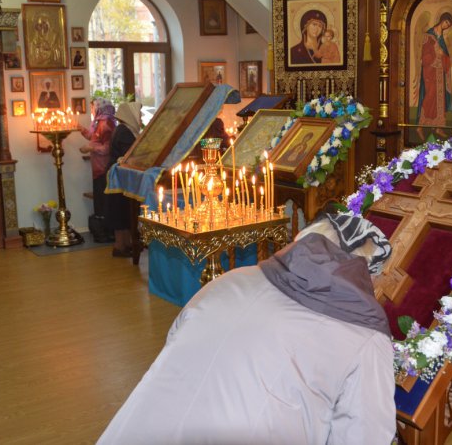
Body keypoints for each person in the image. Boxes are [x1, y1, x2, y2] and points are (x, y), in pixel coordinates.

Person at [97, 214, 396, 444]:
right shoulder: (365, 337)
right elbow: (365, 434)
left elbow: (176, 340)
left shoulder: (232, 278)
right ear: (364, 272)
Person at [105, 102, 142, 257]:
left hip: (120, 176)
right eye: (138, 113)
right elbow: (129, 154)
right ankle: (120, 246)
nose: (140, 117)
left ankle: (126, 244)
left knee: (124, 211)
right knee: (120, 212)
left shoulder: (123, 129)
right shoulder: (124, 132)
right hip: (119, 177)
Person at [79, 98, 116, 242]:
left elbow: (106, 148)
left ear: (100, 108)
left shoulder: (106, 124)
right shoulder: (99, 122)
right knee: (99, 201)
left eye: (93, 108)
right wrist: (80, 128)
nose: (92, 111)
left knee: (103, 201)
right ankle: (102, 231)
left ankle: (106, 232)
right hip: (98, 168)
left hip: (103, 169)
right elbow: (92, 136)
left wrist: (90, 148)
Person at [415, 13, 452, 136]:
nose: (446, 26)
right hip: (430, 73)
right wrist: (436, 54)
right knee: (429, 97)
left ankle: (438, 127)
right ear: (442, 20)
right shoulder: (429, 35)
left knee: (440, 100)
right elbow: (425, 56)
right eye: (446, 22)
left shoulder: (441, 39)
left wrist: (443, 55)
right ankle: (420, 127)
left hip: (440, 74)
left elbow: (446, 57)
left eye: (448, 25)